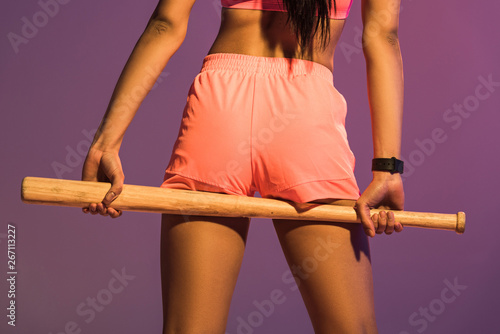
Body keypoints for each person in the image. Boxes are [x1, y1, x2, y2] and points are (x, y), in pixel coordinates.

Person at [81, 0, 405, 332]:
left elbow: (166, 24)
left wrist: (106, 143)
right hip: (305, 114)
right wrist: (387, 169)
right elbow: (383, 37)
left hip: (220, 107)